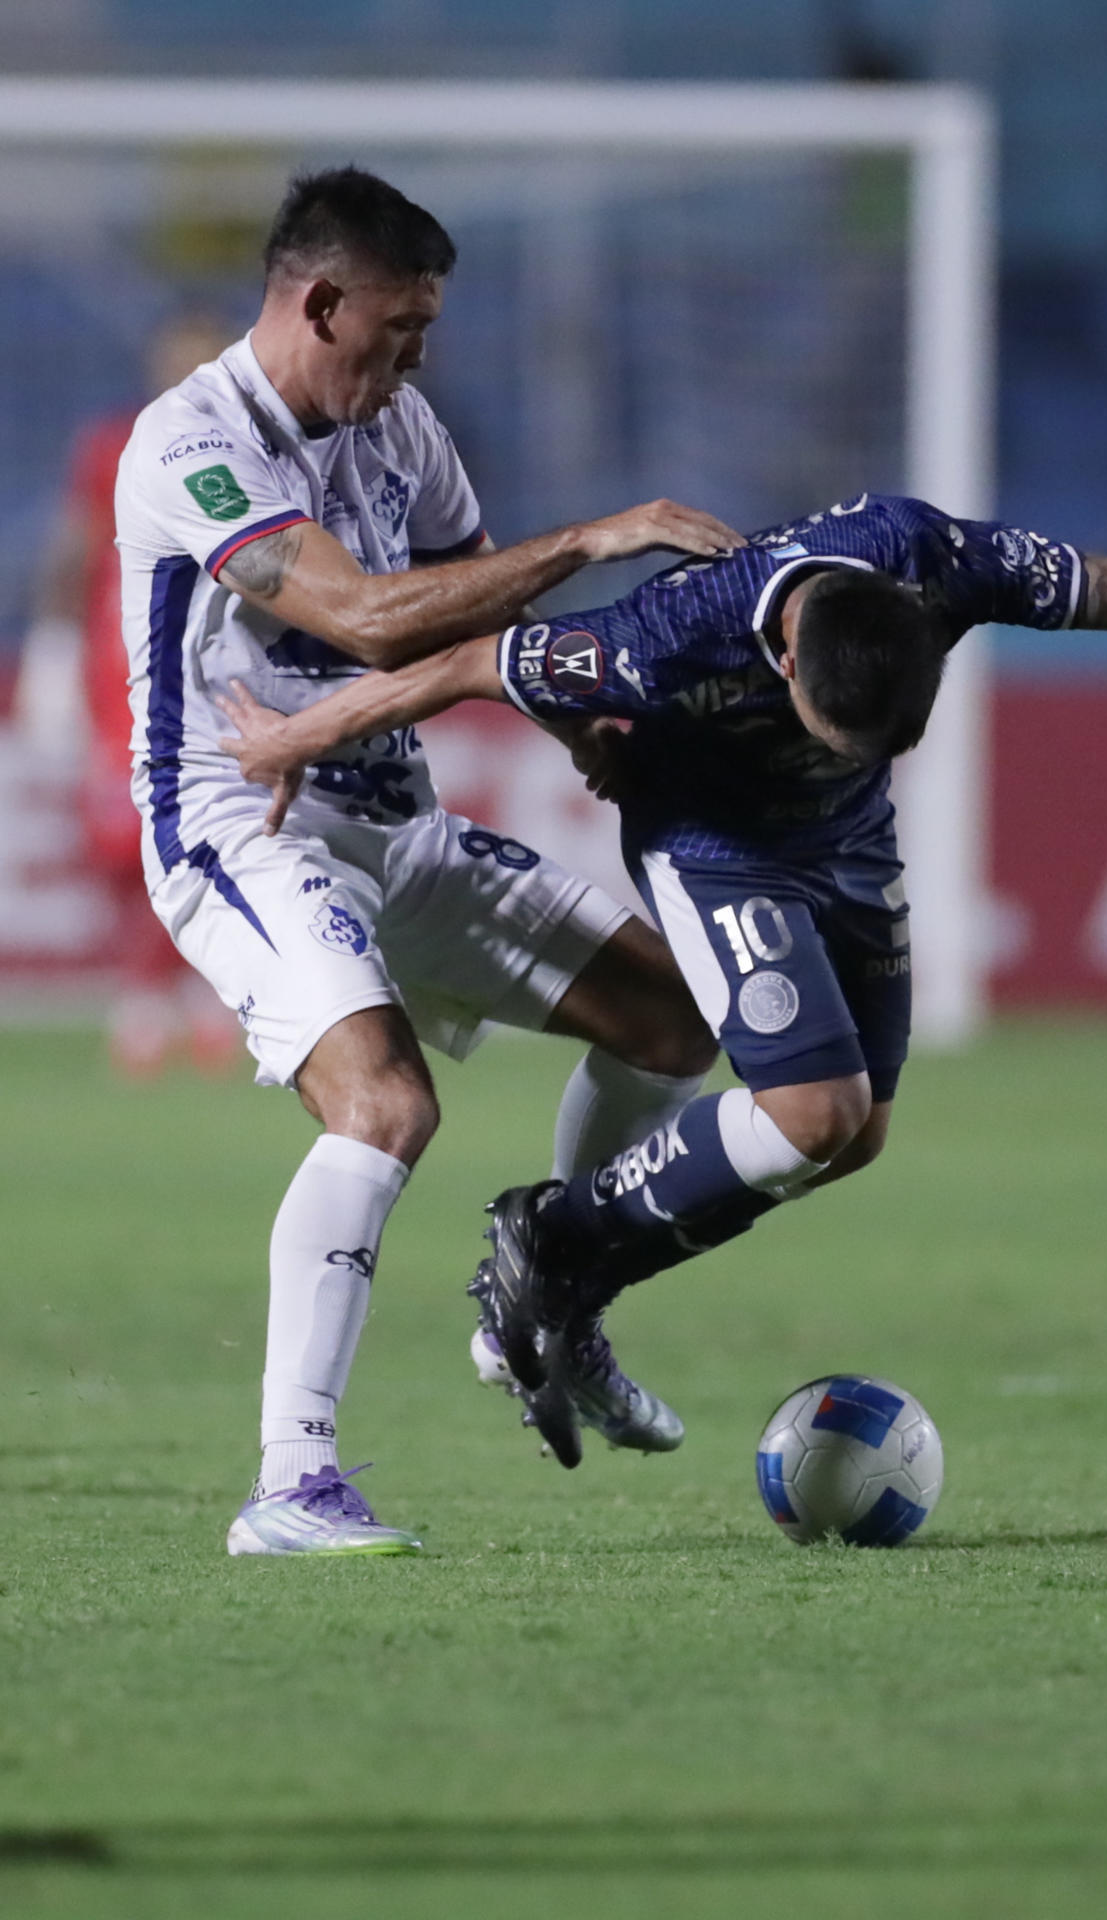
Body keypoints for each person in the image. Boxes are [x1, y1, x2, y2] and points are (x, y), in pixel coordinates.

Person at [215, 488, 1107, 1471]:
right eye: (835, 733)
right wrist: (301, 737)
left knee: (857, 1139)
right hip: (714, 848)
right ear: (783, 655)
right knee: (814, 1112)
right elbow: (465, 665)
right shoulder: (666, 638)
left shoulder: (934, 558)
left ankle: (566, 1276)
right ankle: (556, 1240)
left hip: (852, 851)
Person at [115, 165, 743, 1554]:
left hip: (401, 825)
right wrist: (589, 537)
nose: (412, 361)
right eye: (397, 330)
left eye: (427, 335)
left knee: (671, 1017)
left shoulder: (402, 433)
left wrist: (595, 726)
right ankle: (291, 1485)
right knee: (384, 1107)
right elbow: (373, 622)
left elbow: (482, 631)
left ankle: (556, 1297)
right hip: (243, 825)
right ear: (319, 299)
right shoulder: (190, 441)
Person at [17, 312, 242, 1074]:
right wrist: (51, 650)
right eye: (178, 353)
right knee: (128, 840)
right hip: (122, 679)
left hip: (218, 677)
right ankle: (151, 994)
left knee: (213, 833)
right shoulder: (113, 446)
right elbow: (73, 550)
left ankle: (197, 997)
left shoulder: (249, 450)